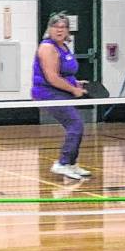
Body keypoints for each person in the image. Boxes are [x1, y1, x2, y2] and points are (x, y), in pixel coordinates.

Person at [31, 12, 92, 180]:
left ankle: (71, 164)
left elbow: (64, 73)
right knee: (76, 124)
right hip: (48, 93)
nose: (59, 30)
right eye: (56, 27)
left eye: (63, 27)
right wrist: (73, 90)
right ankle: (62, 164)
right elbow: (52, 77)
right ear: (49, 29)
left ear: (67, 31)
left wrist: (76, 82)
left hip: (61, 92)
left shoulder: (64, 47)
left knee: (76, 125)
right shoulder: (47, 48)